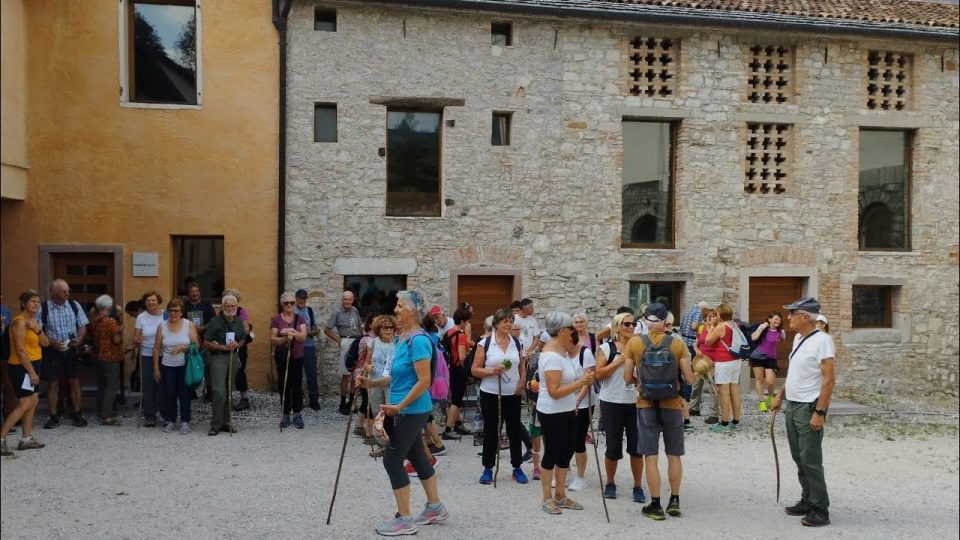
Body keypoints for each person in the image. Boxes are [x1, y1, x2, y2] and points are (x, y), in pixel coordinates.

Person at [375, 289, 448, 536]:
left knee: (392, 460)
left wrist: (400, 406)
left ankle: (404, 519)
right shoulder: (401, 337)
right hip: (405, 408)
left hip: (411, 409)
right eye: (396, 306)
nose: (395, 310)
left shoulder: (418, 340)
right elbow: (393, 377)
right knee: (417, 457)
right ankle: (435, 507)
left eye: (400, 306)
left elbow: (423, 381)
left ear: (414, 310)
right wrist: (369, 383)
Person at [622, 303, 695, 520]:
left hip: (645, 405)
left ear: (644, 320)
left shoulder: (635, 343)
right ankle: (674, 500)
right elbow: (690, 378)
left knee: (650, 457)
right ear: (665, 321)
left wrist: (641, 383)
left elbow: (626, 377)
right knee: (674, 455)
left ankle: (655, 505)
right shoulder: (677, 343)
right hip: (672, 404)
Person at [772, 297, 835, 528]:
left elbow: (829, 379)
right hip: (793, 404)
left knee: (811, 459)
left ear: (805, 317)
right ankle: (808, 499)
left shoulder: (822, 341)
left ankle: (820, 508)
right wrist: (781, 394)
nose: (787, 317)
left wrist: (819, 412)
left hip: (809, 406)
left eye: (792, 314)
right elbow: (796, 372)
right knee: (799, 456)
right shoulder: (799, 338)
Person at [536, 311, 595, 515]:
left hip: (567, 409)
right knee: (552, 453)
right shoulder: (552, 356)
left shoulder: (560, 351)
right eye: (570, 327)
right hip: (553, 411)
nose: (573, 331)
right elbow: (554, 392)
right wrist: (581, 383)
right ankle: (546, 497)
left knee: (566, 451)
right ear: (562, 331)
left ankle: (560, 494)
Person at [472, 307, 527, 485]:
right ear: (496, 324)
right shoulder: (485, 344)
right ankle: (488, 468)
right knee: (491, 431)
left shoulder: (517, 343)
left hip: (513, 393)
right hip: (491, 393)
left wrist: (522, 382)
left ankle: (517, 467)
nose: (509, 324)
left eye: (511, 321)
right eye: (505, 321)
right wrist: (491, 371)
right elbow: (474, 369)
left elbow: (521, 365)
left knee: (514, 430)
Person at [595, 312, 645, 502]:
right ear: (617, 327)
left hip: (635, 402)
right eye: (626, 324)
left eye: (633, 324)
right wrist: (619, 361)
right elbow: (598, 374)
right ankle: (610, 483)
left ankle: (638, 486)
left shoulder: (639, 348)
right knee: (613, 446)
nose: (630, 328)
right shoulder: (606, 349)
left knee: (636, 447)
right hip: (612, 402)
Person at [1, 290, 49, 455]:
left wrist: (37, 330)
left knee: (33, 401)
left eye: (38, 301)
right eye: (32, 301)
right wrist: (31, 372)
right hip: (21, 366)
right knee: (24, 404)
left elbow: (45, 343)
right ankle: (1, 439)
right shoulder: (19, 322)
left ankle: (25, 439)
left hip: (34, 363)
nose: (36, 304)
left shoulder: (32, 321)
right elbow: (21, 350)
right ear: (23, 304)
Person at [37, 279, 89, 429]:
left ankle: (77, 414)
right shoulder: (43, 308)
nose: (67, 293)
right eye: (63, 291)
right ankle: (53, 416)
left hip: (71, 349)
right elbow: (38, 332)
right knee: (52, 383)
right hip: (52, 350)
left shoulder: (74, 305)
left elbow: (82, 326)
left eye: (68, 290)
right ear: (54, 292)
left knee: (74, 381)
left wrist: (79, 339)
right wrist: (52, 342)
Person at [153, 298, 199, 434]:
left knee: (184, 393)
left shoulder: (188, 325)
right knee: (169, 393)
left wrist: (183, 347)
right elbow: (156, 348)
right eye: (171, 310)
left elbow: (196, 345)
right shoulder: (162, 326)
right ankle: (171, 420)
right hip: (167, 365)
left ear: (181, 312)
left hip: (184, 365)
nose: (173, 313)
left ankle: (185, 421)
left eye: (176, 311)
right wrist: (155, 368)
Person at [203, 294, 247, 436]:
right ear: (222, 307)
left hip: (233, 356)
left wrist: (236, 344)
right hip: (219, 357)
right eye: (227, 306)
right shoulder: (214, 322)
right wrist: (222, 347)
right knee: (219, 391)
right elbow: (206, 342)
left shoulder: (239, 322)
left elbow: (242, 340)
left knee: (228, 390)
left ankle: (226, 422)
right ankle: (215, 424)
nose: (230, 308)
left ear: (236, 307)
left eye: (232, 306)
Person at [568, 314, 597, 492]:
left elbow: (588, 380)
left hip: (583, 402)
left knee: (578, 440)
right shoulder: (561, 353)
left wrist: (577, 402)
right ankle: (567, 473)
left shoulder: (585, 353)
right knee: (565, 439)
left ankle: (580, 477)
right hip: (564, 401)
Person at [702, 303, 743, 433]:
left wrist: (713, 326)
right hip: (736, 361)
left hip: (724, 362)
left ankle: (724, 423)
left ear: (720, 314)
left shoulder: (721, 327)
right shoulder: (735, 325)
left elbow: (708, 341)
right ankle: (736, 421)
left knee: (724, 393)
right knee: (734, 391)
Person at [271, 292, 307, 430]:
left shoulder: (300, 318)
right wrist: (285, 337)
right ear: (282, 304)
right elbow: (273, 339)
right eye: (286, 303)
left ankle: (297, 413)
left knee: (297, 385)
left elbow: (303, 337)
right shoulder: (276, 319)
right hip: (282, 356)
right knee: (284, 384)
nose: (289, 305)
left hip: (297, 356)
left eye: (292, 302)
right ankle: (285, 413)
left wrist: (292, 331)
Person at [360, 314, 396, 448]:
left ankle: (392, 439)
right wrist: (367, 367)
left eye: (391, 328)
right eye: (385, 328)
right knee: (376, 412)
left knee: (391, 411)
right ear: (378, 329)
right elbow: (366, 362)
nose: (388, 330)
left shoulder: (397, 344)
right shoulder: (373, 343)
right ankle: (382, 441)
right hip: (374, 382)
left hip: (391, 383)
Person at [324, 290, 363, 415]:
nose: (347, 302)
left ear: (353, 300)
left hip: (357, 342)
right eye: (345, 299)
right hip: (345, 342)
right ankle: (342, 403)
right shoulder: (337, 312)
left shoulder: (355, 310)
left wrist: (362, 339)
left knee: (355, 375)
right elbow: (327, 329)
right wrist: (340, 341)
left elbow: (358, 327)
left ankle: (351, 403)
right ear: (342, 300)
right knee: (346, 374)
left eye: (349, 299)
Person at [90, 295, 124, 426]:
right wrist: (121, 327)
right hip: (110, 357)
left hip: (97, 357)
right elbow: (116, 340)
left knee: (102, 385)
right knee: (111, 387)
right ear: (109, 307)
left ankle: (100, 412)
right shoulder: (110, 321)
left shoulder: (94, 320)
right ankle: (107, 415)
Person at [133, 291, 165, 427]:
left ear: (158, 301)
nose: (150, 303)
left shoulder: (166, 315)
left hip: (165, 354)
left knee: (164, 385)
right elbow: (136, 337)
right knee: (148, 386)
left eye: (153, 300)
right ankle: (150, 416)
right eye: (148, 301)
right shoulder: (141, 317)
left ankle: (165, 414)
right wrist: (137, 339)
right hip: (146, 354)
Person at [441, 307, 472, 440]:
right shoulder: (461, 334)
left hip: (450, 369)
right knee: (457, 401)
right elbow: (461, 356)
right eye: (467, 321)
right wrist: (468, 371)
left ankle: (458, 423)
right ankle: (448, 430)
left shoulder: (449, 332)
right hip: (459, 369)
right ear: (463, 321)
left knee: (454, 397)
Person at [223, 288, 253, 412]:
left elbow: (246, 329)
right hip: (224, 345)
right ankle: (225, 398)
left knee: (240, 370)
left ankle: (244, 398)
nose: (229, 305)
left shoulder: (241, 312)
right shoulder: (221, 312)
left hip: (239, 345)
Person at [750, 311, 786, 412]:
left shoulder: (780, 331)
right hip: (757, 356)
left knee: (770, 381)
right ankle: (761, 402)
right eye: (775, 319)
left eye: (779, 319)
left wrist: (783, 335)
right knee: (759, 380)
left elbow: (781, 340)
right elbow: (753, 337)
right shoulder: (763, 328)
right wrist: (762, 327)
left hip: (771, 358)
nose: (777, 321)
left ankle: (770, 397)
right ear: (769, 319)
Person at [294, 288, 322, 410]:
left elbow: (315, 328)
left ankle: (313, 399)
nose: (302, 300)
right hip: (296, 346)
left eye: (304, 298)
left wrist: (311, 332)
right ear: (296, 298)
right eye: (300, 298)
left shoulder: (309, 311)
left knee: (311, 373)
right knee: (296, 374)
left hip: (309, 346)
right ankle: (297, 399)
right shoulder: (292, 311)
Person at [691, 307, 721, 423]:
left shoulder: (718, 328)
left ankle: (714, 414)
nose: (710, 318)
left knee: (713, 388)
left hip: (713, 362)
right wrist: (696, 350)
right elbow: (696, 343)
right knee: (696, 385)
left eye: (713, 316)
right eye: (708, 316)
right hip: (701, 361)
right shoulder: (702, 328)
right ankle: (694, 408)